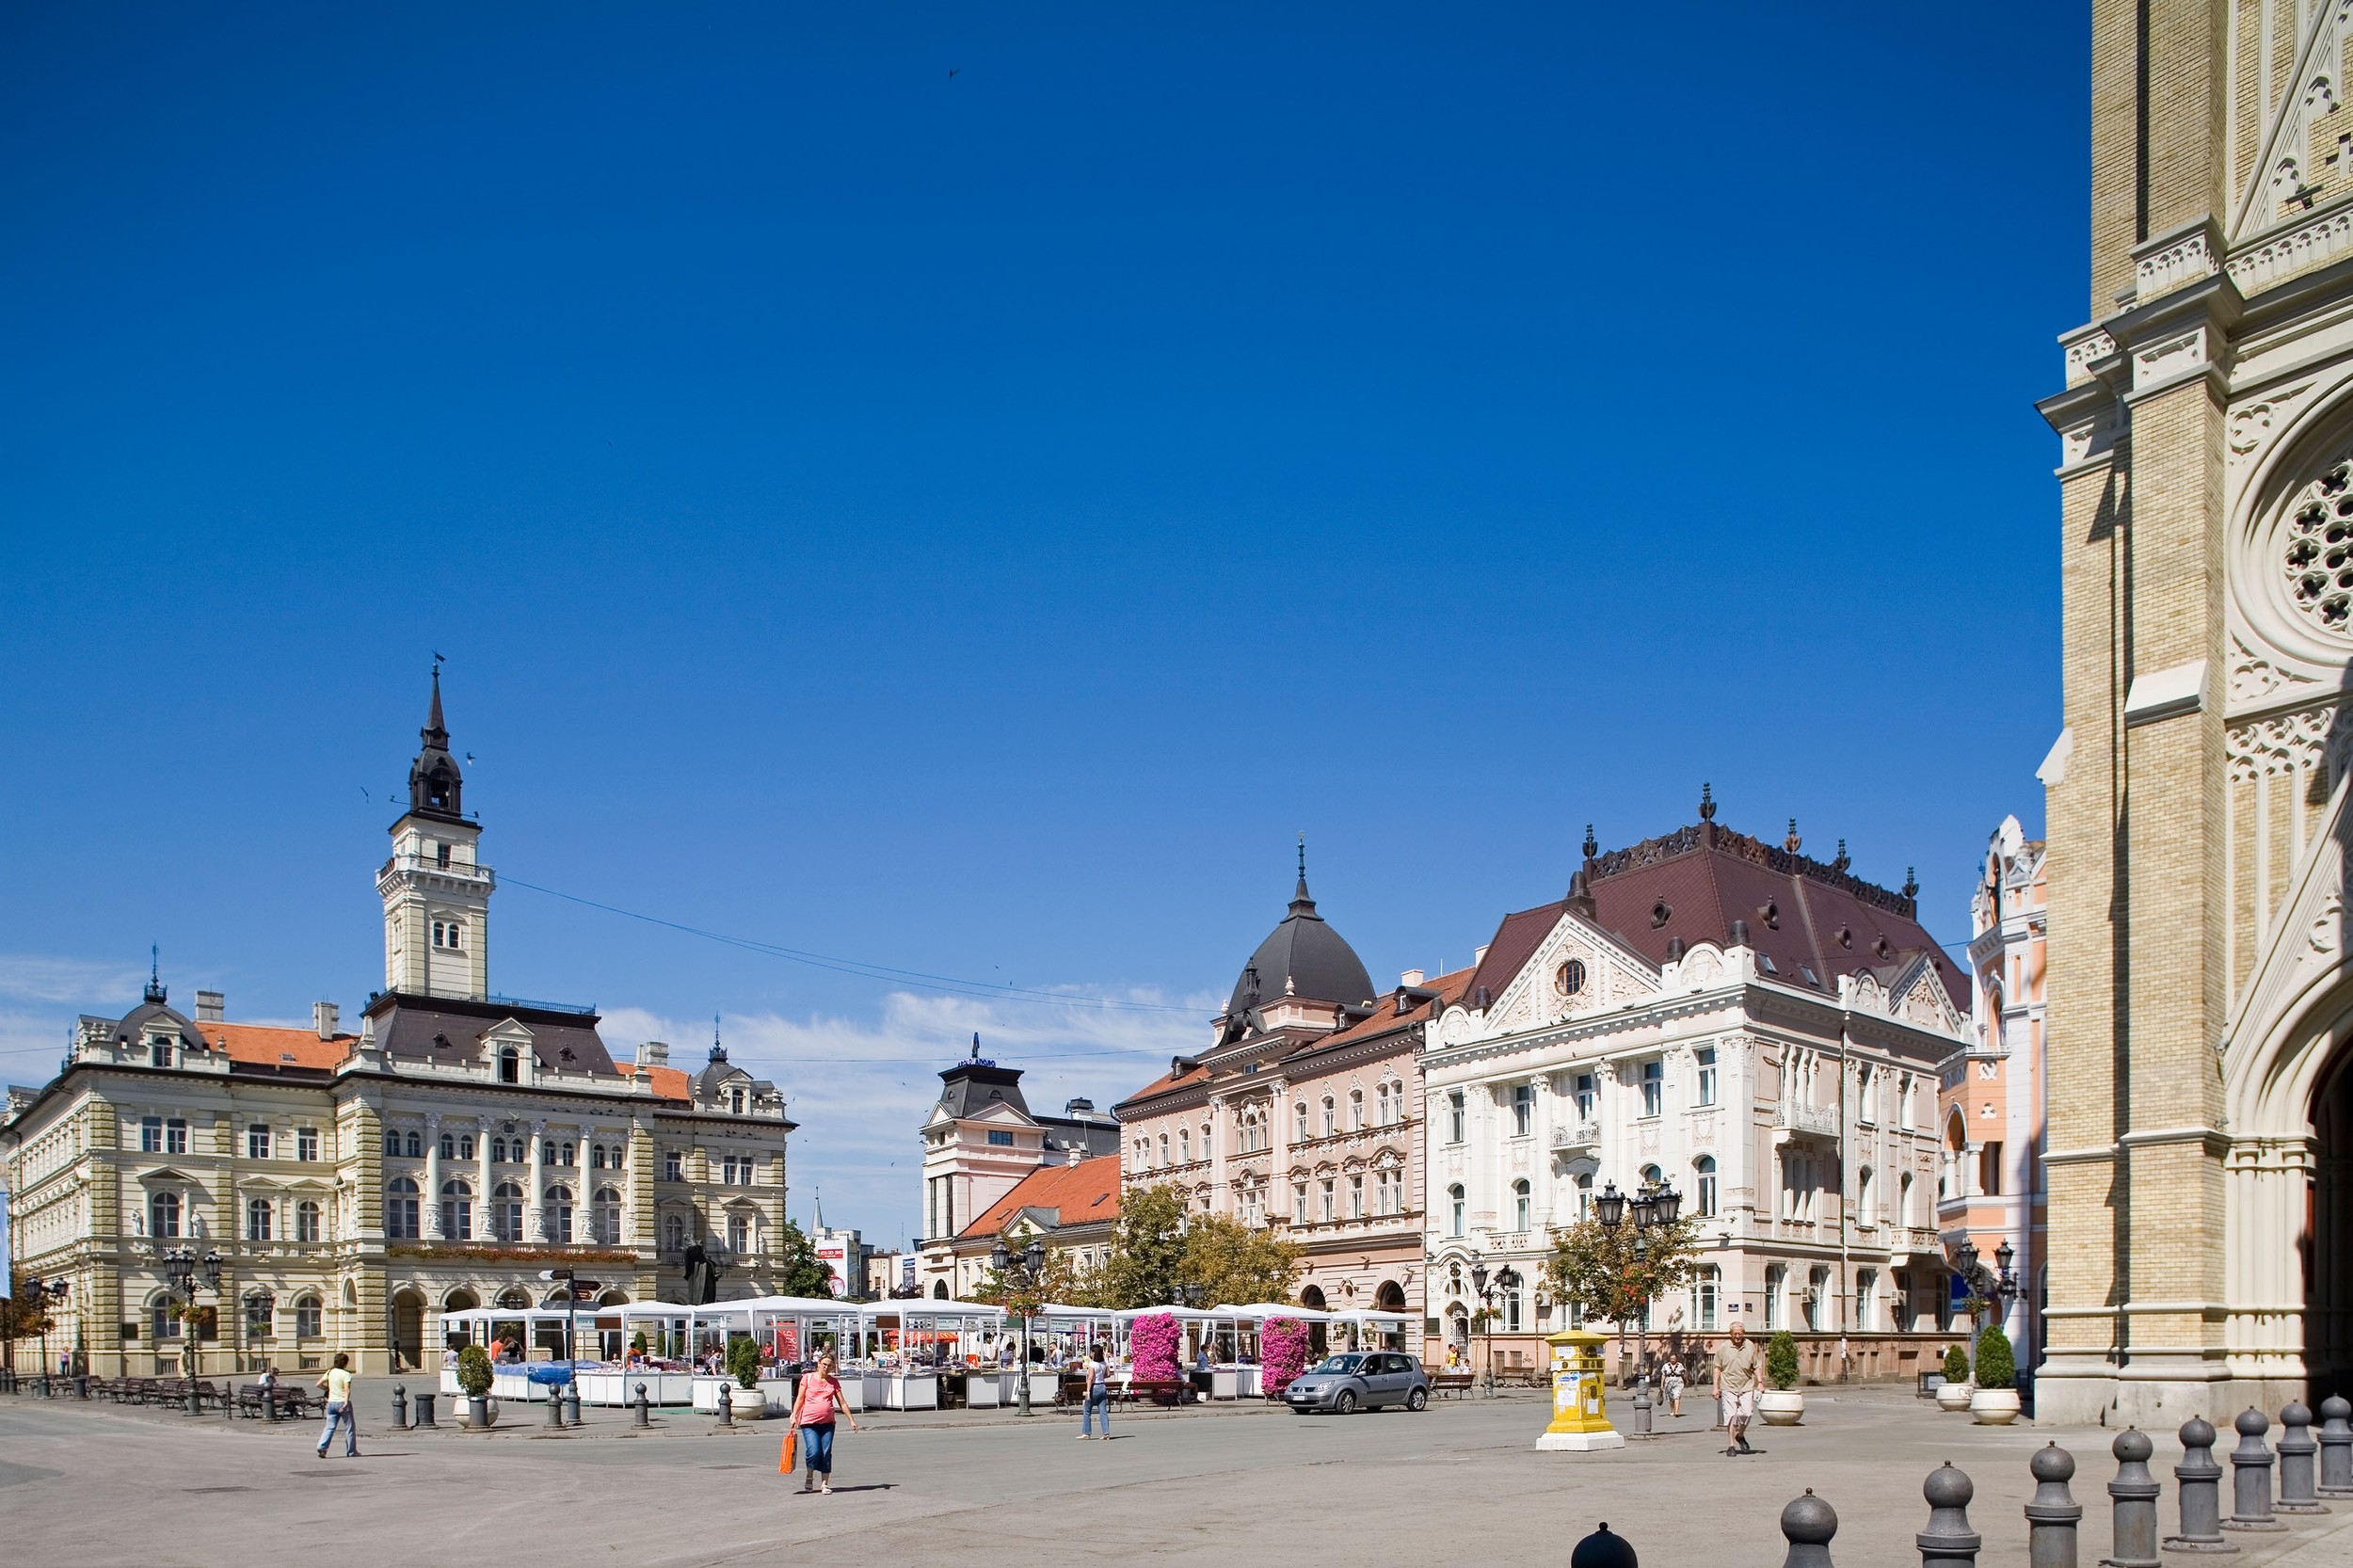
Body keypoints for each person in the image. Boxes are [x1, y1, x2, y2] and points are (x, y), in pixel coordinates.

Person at [787, 1352, 858, 1495]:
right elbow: (800, 1399)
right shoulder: (807, 1378)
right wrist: (794, 1415)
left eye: (829, 1366)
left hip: (828, 1423)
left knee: (826, 1453)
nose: (826, 1368)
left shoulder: (833, 1382)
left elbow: (842, 1403)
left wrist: (851, 1420)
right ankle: (809, 1476)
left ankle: (824, 1484)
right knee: (814, 1451)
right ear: (818, 1364)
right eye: (824, 1364)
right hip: (808, 1422)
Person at [1711, 1322, 1763, 1457]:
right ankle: (1731, 1446)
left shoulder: (1750, 1345)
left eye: (1740, 1333)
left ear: (1743, 1333)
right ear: (1731, 1334)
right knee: (1731, 1416)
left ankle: (1740, 1435)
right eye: (1735, 1334)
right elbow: (1717, 1367)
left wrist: (1760, 1383)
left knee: (1747, 1414)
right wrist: (1715, 1387)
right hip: (1728, 1386)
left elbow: (1756, 1366)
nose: (1738, 1336)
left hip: (1746, 1386)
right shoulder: (1724, 1347)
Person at [314, 1352, 359, 1458]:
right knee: (349, 1427)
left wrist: (327, 1388)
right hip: (341, 1402)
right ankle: (351, 1451)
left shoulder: (330, 1372)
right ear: (345, 1363)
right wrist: (346, 1402)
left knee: (329, 1427)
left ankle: (322, 1447)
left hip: (331, 1402)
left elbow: (318, 1384)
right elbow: (346, 1389)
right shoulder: (346, 1374)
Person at [1080, 1342, 1111, 1441]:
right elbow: (1108, 1374)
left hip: (1094, 1387)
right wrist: (1101, 1376)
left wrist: (1088, 1391)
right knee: (1103, 1412)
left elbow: (1090, 1378)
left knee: (1087, 1411)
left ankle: (1086, 1433)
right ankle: (1106, 1433)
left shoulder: (1092, 1364)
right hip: (1102, 1386)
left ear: (1093, 1353)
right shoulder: (1104, 1363)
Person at [1661, 1353, 1685, 1418]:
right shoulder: (1665, 1366)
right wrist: (1661, 1385)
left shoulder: (1680, 1365)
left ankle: (1676, 1412)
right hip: (1668, 1382)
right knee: (1670, 1398)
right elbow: (1663, 1375)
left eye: (1674, 1359)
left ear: (1676, 1359)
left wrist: (1685, 1381)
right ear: (1669, 1359)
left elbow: (1683, 1374)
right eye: (1671, 1359)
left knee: (1677, 1395)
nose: (1673, 1360)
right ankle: (1672, 1410)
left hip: (1678, 1381)